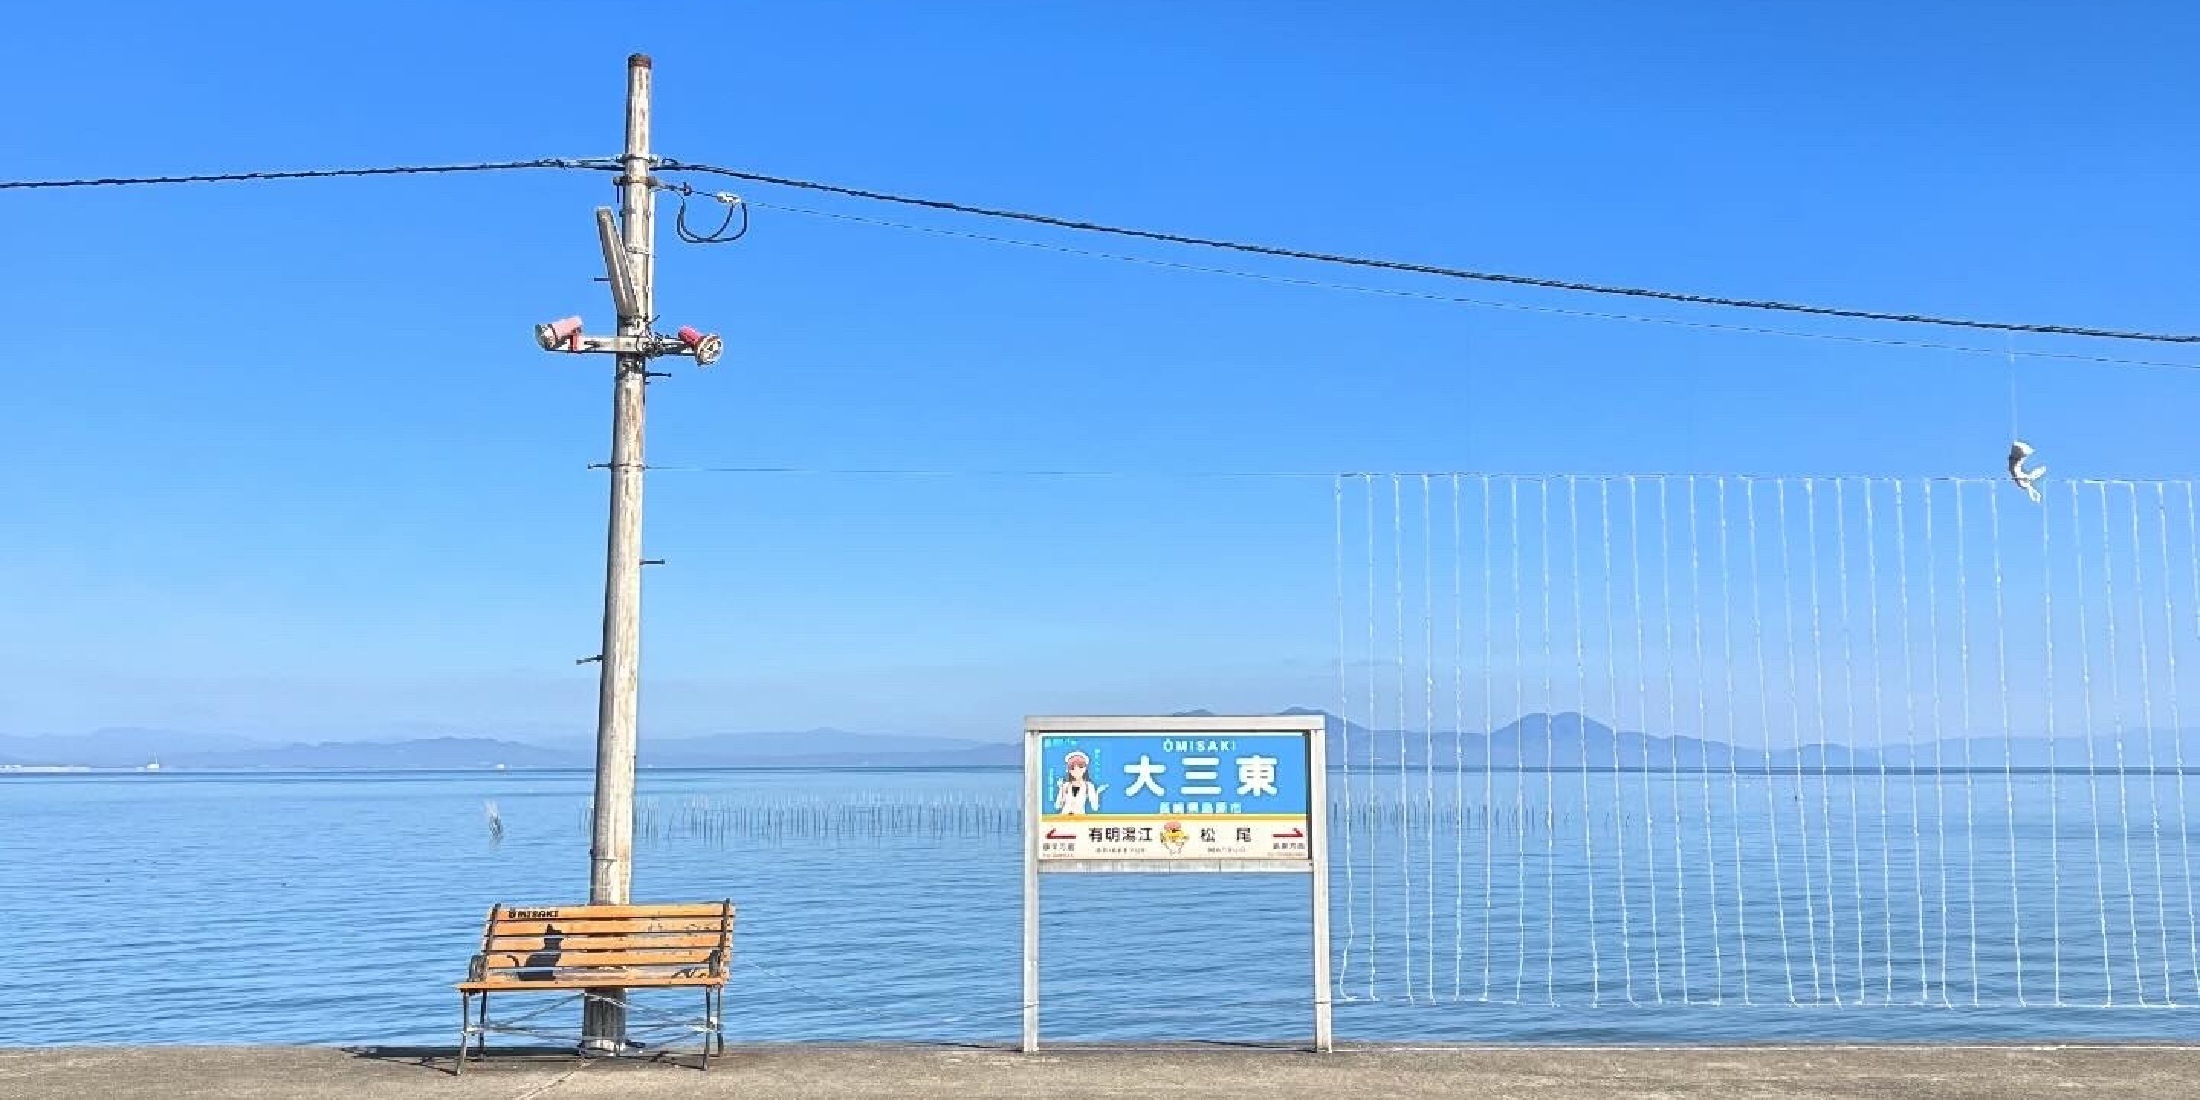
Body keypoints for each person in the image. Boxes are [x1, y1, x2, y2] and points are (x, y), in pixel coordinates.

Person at [1053, 750, 1105, 815]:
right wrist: (1061, 789)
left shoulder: (1088, 786)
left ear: (1085, 768)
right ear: (1069, 770)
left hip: (1080, 820)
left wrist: (1097, 793)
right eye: (1072, 768)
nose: (1077, 770)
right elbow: (1057, 806)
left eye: (1080, 767)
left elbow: (1095, 808)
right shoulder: (1066, 785)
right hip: (1064, 818)